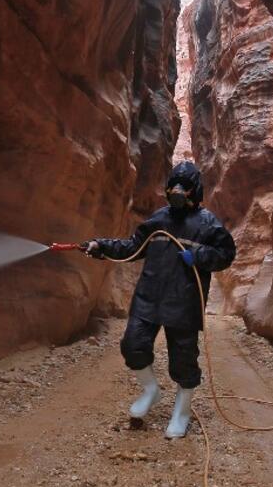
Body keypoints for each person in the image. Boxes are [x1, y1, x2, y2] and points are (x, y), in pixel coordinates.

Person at [82, 161, 236, 438]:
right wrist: (101, 246)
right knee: (133, 345)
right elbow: (131, 247)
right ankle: (151, 390)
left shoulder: (208, 223)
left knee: (183, 359)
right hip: (148, 297)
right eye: (174, 185)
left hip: (184, 301)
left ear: (195, 190)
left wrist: (199, 256)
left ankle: (182, 411)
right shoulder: (158, 220)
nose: (178, 191)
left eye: (184, 186)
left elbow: (226, 255)